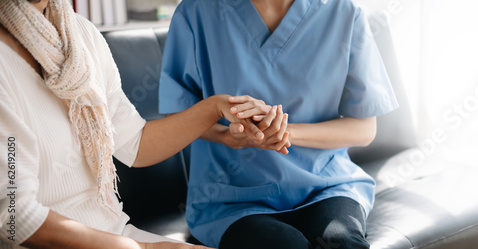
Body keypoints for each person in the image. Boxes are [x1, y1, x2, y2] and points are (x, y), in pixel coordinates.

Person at [0, 0, 275, 248]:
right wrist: (144, 248)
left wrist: (215, 107)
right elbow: (14, 216)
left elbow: (135, 142)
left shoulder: (80, 32)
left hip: (115, 232)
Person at [159, 0, 400, 248]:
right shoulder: (196, 12)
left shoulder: (344, 12)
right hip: (232, 199)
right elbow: (177, 115)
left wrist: (284, 131)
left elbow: (363, 129)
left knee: (341, 242)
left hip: (326, 187)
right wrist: (226, 136)